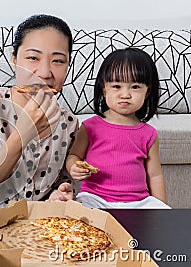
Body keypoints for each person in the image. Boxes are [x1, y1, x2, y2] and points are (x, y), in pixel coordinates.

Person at [0, 14, 78, 207]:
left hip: (40, 227)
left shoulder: (70, 124)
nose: (45, 73)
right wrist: (22, 134)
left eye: (58, 61)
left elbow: (61, 182)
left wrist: (61, 192)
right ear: (14, 60)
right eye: (32, 58)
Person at [66, 47, 170, 209]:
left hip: (138, 202)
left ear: (147, 91)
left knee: (163, 218)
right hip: (95, 197)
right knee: (76, 209)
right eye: (116, 86)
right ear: (104, 89)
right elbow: (74, 155)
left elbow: (155, 175)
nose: (125, 94)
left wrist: (162, 208)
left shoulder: (149, 134)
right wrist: (74, 167)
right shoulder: (90, 126)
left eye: (135, 87)